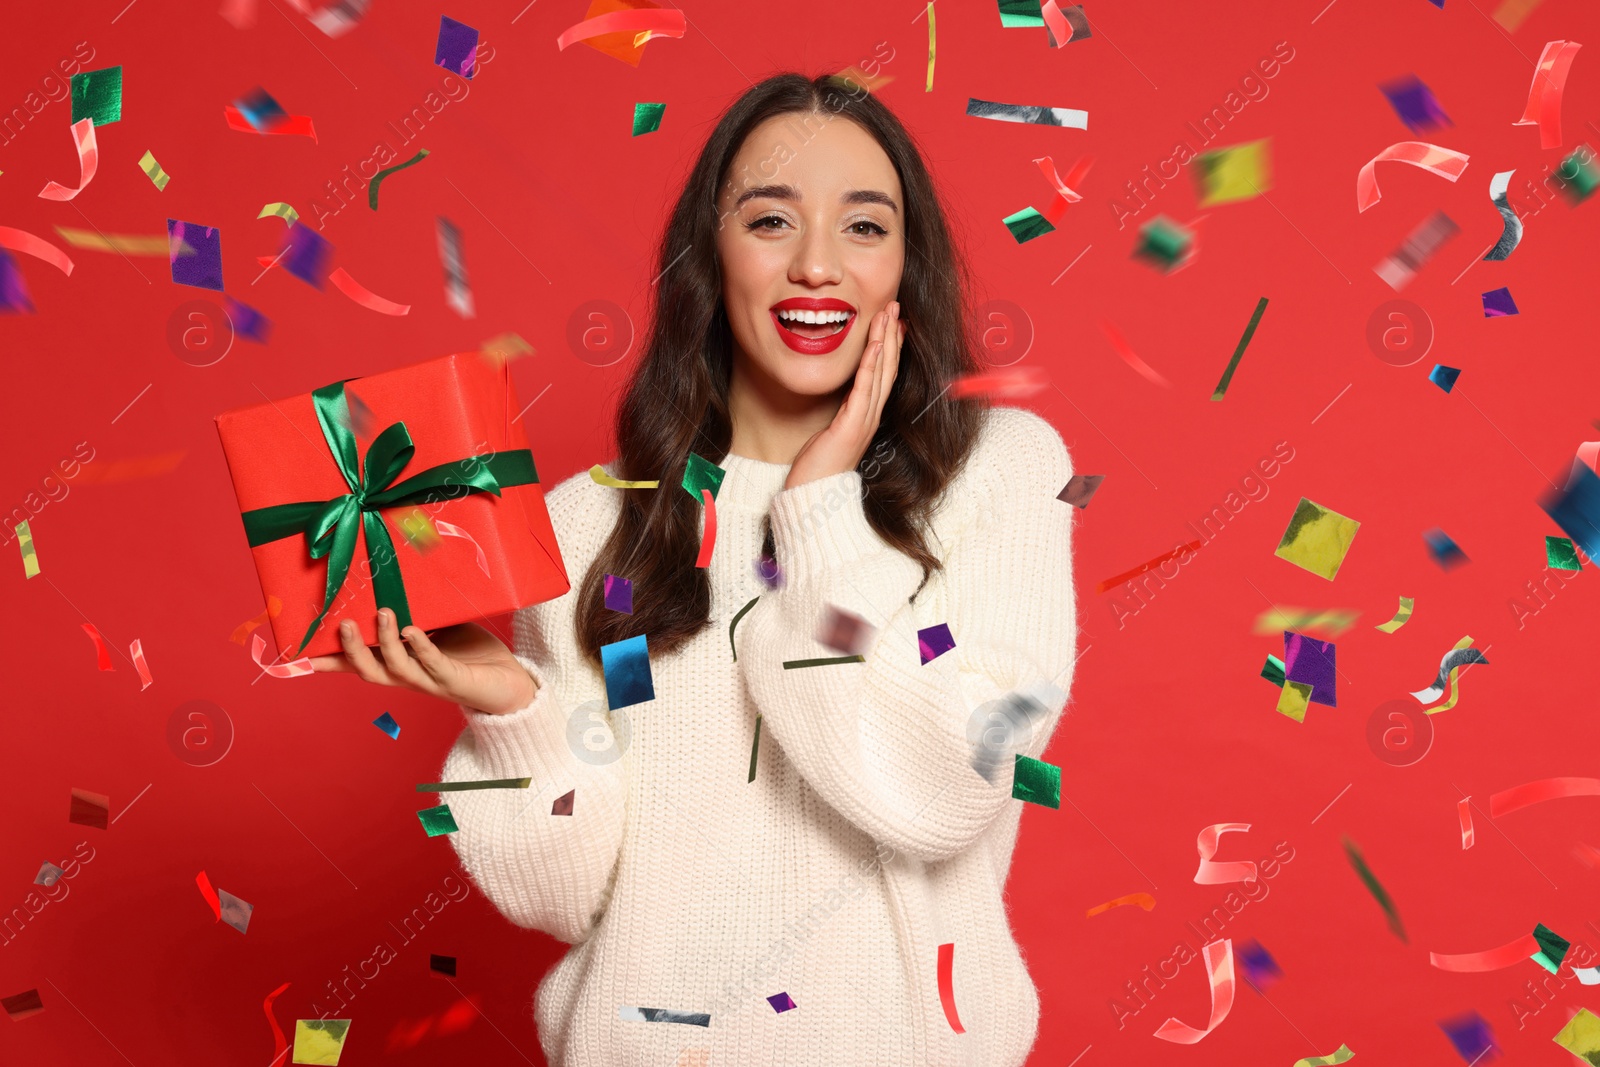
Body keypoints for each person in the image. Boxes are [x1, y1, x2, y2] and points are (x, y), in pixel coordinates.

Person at [312, 70, 1078, 1066]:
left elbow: (943, 789)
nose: (816, 266)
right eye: (768, 221)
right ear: (710, 260)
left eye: (862, 227)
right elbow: (568, 896)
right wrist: (514, 709)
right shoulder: (590, 526)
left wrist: (817, 508)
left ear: (905, 266)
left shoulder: (991, 472)